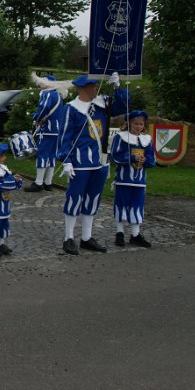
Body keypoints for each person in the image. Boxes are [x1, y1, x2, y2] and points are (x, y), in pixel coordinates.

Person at [57, 73, 129, 255]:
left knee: (93, 199)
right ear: (82, 88)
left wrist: (117, 87)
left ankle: (86, 238)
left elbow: (124, 106)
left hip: (100, 162)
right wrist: (66, 161)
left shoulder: (102, 104)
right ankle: (68, 238)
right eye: (92, 86)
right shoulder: (71, 109)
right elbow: (64, 136)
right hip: (80, 163)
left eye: (95, 86)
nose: (96, 88)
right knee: (74, 199)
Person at [110, 110, 156, 248]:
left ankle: (135, 234)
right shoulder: (121, 137)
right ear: (129, 123)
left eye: (141, 124)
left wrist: (145, 159)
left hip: (139, 181)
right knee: (121, 204)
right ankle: (120, 233)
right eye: (136, 123)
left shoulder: (147, 140)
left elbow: (152, 160)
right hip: (123, 179)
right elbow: (114, 156)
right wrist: (131, 158)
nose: (138, 126)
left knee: (137, 206)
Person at [25, 74, 69, 192]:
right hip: (57, 131)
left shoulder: (48, 93)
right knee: (52, 156)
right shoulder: (58, 96)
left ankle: (39, 182)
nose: (40, 85)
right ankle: (48, 182)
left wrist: (36, 118)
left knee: (43, 154)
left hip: (47, 130)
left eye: (42, 82)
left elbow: (44, 108)